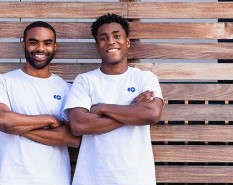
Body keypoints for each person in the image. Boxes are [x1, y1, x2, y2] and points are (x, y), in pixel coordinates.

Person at [63, 13, 163, 185]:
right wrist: (133, 111)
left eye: (117, 36)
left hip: (136, 178)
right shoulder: (85, 80)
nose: (111, 41)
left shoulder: (145, 78)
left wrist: (102, 108)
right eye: (104, 38)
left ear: (128, 42)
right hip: (92, 178)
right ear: (97, 46)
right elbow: (79, 125)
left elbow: (152, 114)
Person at [0, 21, 81, 185]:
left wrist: (16, 126)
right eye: (33, 42)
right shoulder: (4, 81)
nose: (40, 48)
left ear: (55, 47)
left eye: (47, 43)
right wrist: (49, 120)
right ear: (24, 45)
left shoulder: (66, 89)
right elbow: (3, 120)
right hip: (11, 177)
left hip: (54, 179)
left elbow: (72, 138)